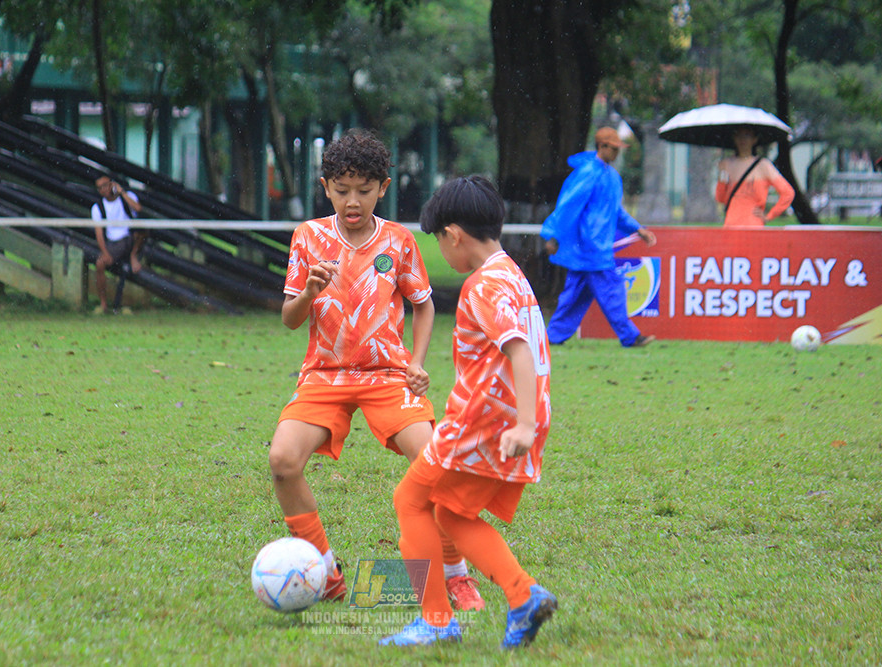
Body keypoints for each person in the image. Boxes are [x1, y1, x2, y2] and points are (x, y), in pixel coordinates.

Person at [267, 129, 483, 610]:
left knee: (434, 461)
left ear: (382, 188)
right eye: (342, 190)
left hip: (388, 375)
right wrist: (308, 293)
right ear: (326, 188)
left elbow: (423, 306)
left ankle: (454, 574)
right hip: (325, 375)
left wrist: (417, 362)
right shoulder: (308, 237)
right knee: (282, 461)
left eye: (364, 190)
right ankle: (324, 571)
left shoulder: (399, 241)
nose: (352, 201)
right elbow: (289, 318)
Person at [379, 176, 556, 649]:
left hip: (481, 424)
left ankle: (437, 621)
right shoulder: (512, 274)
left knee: (410, 501)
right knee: (451, 514)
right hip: (507, 419)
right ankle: (522, 595)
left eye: (439, 241)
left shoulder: (483, 285)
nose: (442, 252)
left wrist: (522, 423)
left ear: (454, 235)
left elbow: (518, 349)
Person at [540, 126, 657, 348]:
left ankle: (551, 338)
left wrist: (637, 229)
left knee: (574, 296)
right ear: (602, 146)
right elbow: (568, 205)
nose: (617, 153)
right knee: (612, 290)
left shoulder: (612, 177)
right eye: (614, 149)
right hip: (591, 247)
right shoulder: (587, 173)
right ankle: (630, 336)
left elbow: (617, 212)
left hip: (594, 248)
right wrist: (553, 236)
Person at [715, 126, 794, 227]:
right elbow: (720, 198)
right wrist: (722, 174)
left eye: (747, 135)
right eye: (738, 135)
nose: (742, 139)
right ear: (734, 138)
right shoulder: (727, 164)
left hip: (753, 225)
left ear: (755, 139)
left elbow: (788, 193)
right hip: (731, 225)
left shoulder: (763, 165)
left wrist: (769, 216)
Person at [91, 175, 145, 314]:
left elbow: (138, 208)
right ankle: (103, 304)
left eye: (106, 185)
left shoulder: (127, 197)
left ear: (112, 184)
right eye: (100, 187)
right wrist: (105, 252)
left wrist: (121, 193)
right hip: (114, 243)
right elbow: (99, 233)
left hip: (130, 238)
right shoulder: (97, 208)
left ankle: (133, 256)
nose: (104, 189)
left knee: (142, 230)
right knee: (99, 264)